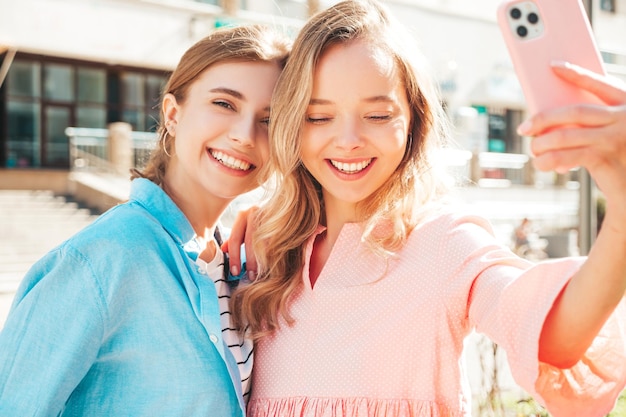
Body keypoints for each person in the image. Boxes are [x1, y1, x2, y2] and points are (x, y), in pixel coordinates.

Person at [229, 1, 626, 416]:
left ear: (414, 121)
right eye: (318, 116)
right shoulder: (266, 251)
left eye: (378, 115)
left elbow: (555, 337)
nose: (348, 139)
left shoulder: (445, 243)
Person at [0, 25, 290, 416]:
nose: (244, 135)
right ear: (173, 113)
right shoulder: (100, 261)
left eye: (269, 120)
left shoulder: (239, 265)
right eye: (224, 104)